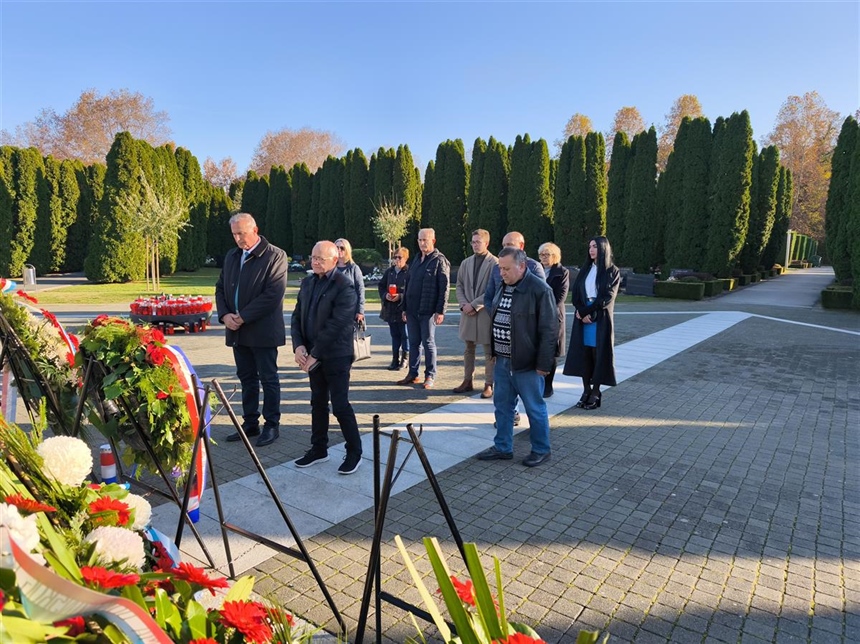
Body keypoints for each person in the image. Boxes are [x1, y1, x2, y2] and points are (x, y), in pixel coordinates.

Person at [476, 247, 557, 467]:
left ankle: (541, 449)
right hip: (502, 361)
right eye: (500, 268)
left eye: (506, 268)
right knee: (502, 406)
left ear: (521, 266)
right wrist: (494, 352)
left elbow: (550, 330)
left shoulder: (540, 290)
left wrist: (543, 364)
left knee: (534, 407)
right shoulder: (504, 286)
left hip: (527, 364)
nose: (501, 273)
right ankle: (503, 447)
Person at [214, 213, 288, 447]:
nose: (238, 239)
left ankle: (272, 424)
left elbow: (273, 295)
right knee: (246, 378)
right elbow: (220, 287)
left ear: (255, 230)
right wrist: (225, 315)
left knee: (268, 378)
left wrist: (242, 316)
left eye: (241, 233)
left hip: (263, 330)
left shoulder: (275, 256)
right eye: (234, 234)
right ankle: (250, 422)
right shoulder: (232, 256)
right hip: (237, 330)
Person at [291, 240, 363, 475]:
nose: (315, 262)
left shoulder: (345, 286)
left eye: (320, 258)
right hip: (313, 354)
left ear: (335, 260)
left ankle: (354, 452)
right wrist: (299, 346)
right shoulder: (308, 282)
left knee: (340, 405)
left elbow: (337, 325)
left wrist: (315, 354)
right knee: (317, 402)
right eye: (313, 257)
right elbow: (296, 316)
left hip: (336, 355)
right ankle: (318, 448)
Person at [563, 236, 620, 410]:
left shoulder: (612, 271)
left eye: (595, 246)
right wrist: (580, 311)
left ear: (603, 248)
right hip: (583, 317)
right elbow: (576, 295)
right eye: (589, 247)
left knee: (598, 355)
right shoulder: (586, 269)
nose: (591, 250)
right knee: (584, 355)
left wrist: (589, 313)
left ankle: (596, 391)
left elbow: (607, 297)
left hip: (599, 317)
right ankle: (586, 390)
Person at [397, 228, 450, 390]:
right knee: (413, 343)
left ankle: (430, 375)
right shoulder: (416, 259)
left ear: (433, 241)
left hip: (428, 311)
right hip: (412, 310)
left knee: (428, 343)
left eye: (425, 240)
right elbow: (409, 285)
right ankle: (413, 374)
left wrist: (441, 311)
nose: (421, 243)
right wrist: (404, 307)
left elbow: (444, 287)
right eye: (419, 240)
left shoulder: (439, 261)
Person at [454, 229, 497, 398]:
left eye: (478, 242)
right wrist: (464, 304)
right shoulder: (466, 263)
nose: (475, 245)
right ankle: (467, 381)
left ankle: (488, 384)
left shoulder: (495, 263)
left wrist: (474, 305)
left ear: (486, 243)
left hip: (484, 312)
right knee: (468, 348)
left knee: (488, 351)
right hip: (467, 312)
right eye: (473, 242)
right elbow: (459, 285)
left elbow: (492, 289)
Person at [483, 231, 545, 312]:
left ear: (521, 246)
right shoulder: (496, 268)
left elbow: (542, 298)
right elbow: (488, 296)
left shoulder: (534, 267)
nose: (505, 248)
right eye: (504, 245)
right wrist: (495, 314)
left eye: (509, 245)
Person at [538, 242, 569, 398]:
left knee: (551, 352)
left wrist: (544, 308)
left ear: (555, 256)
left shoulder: (562, 272)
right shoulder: (536, 270)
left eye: (547, 254)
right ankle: (537, 384)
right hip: (536, 316)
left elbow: (560, 297)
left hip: (553, 316)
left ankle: (548, 385)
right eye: (541, 254)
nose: (543, 257)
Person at [379, 247, 409, 371]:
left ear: (406, 258)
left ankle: (405, 359)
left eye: (399, 257)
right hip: (390, 309)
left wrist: (401, 296)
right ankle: (394, 359)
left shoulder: (409, 272)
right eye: (395, 257)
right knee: (394, 335)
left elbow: (412, 290)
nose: (397, 260)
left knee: (405, 335)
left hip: (402, 309)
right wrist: (385, 295)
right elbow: (381, 286)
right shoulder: (389, 272)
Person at [334, 238, 365, 324]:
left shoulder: (354, 268)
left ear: (347, 250)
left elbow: (360, 290)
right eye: (337, 247)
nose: (339, 250)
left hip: (350, 311)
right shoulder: (330, 268)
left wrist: (360, 311)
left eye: (342, 248)